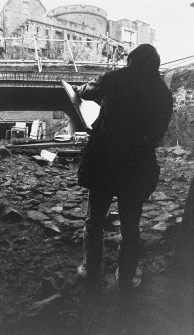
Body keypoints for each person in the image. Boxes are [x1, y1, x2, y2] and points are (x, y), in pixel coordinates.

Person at [72, 44, 173, 293]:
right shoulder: (163, 93)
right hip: (137, 165)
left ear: (131, 61)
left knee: (94, 221)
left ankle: (91, 271)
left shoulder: (118, 77)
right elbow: (158, 132)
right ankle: (125, 277)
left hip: (105, 161)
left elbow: (88, 91)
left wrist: (77, 89)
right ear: (155, 65)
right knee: (130, 227)